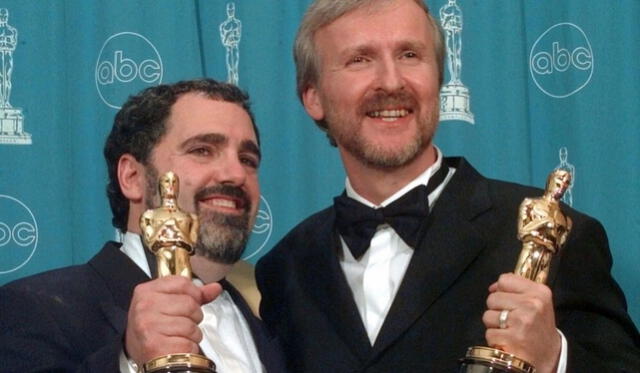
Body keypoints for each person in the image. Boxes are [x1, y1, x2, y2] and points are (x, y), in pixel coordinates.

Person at [255, 1, 640, 372]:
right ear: (313, 97)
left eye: (410, 55)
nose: (391, 81)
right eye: (360, 59)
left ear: (438, 78)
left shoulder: (554, 238)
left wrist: (554, 358)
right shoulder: (284, 269)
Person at [0, 79, 287, 372]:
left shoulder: (282, 323)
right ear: (132, 177)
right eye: (202, 150)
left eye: (248, 159)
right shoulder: (34, 309)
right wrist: (128, 360)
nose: (236, 173)